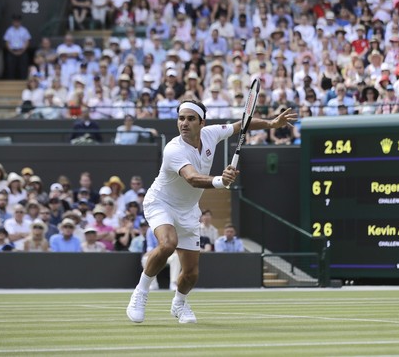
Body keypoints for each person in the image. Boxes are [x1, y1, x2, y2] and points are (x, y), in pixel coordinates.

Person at [126, 99, 297, 324]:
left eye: (190, 119)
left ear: (201, 122)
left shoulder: (211, 133)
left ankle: (179, 304)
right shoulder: (173, 149)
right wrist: (220, 180)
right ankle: (141, 292)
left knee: (191, 274)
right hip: (161, 203)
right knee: (168, 244)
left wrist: (271, 124)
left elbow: (242, 124)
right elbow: (192, 178)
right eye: (181, 118)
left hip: (188, 210)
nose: (184, 123)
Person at [3, 14, 31, 80]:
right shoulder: (9, 31)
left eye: (17, 21)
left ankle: (23, 81)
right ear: (13, 22)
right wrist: (12, 51)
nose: (16, 23)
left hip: (22, 51)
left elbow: (27, 41)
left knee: (23, 67)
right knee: (10, 68)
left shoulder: (24, 30)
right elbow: (7, 42)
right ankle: (10, 82)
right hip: (12, 51)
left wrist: (22, 51)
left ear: (20, 22)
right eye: (15, 21)